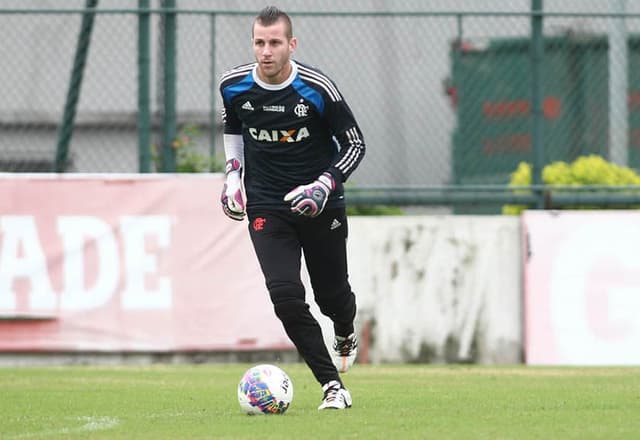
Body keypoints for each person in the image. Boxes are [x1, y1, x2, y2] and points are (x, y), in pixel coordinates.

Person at [218, 6, 366, 410]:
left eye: (274, 43)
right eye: (259, 43)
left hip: (320, 205)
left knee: (331, 297)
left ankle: (346, 328)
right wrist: (233, 175)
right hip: (267, 204)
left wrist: (323, 185)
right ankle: (332, 385)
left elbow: (355, 145)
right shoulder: (233, 85)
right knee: (285, 297)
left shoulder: (318, 89)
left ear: (291, 45)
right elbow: (233, 127)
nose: (266, 51)